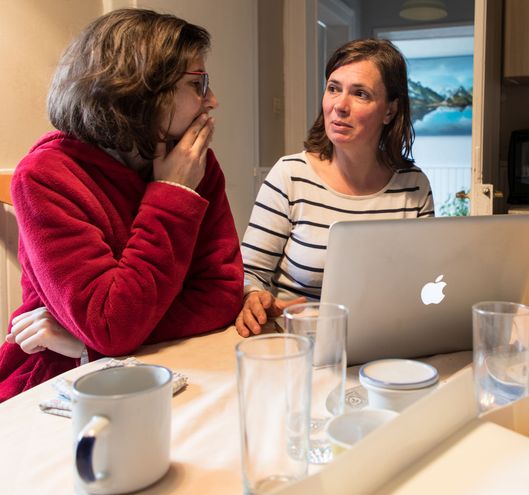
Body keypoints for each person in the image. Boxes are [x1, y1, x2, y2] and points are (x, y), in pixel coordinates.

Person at [0, 9, 244, 401]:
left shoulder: (196, 162)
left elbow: (221, 293)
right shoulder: (46, 177)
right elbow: (113, 326)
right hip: (63, 382)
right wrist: (172, 194)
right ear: (141, 90)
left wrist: (86, 341)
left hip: (154, 362)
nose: (212, 100)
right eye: (199, 83)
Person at [236, 39, 434, 337]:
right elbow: (249, 273)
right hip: (298, 346)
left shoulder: (414, 186)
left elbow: (426, 283)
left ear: (389, 110)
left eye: (360, 94)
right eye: (333, 88)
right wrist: (253, 297)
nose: (340, 106)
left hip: (384, 343)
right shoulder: (290, 175)